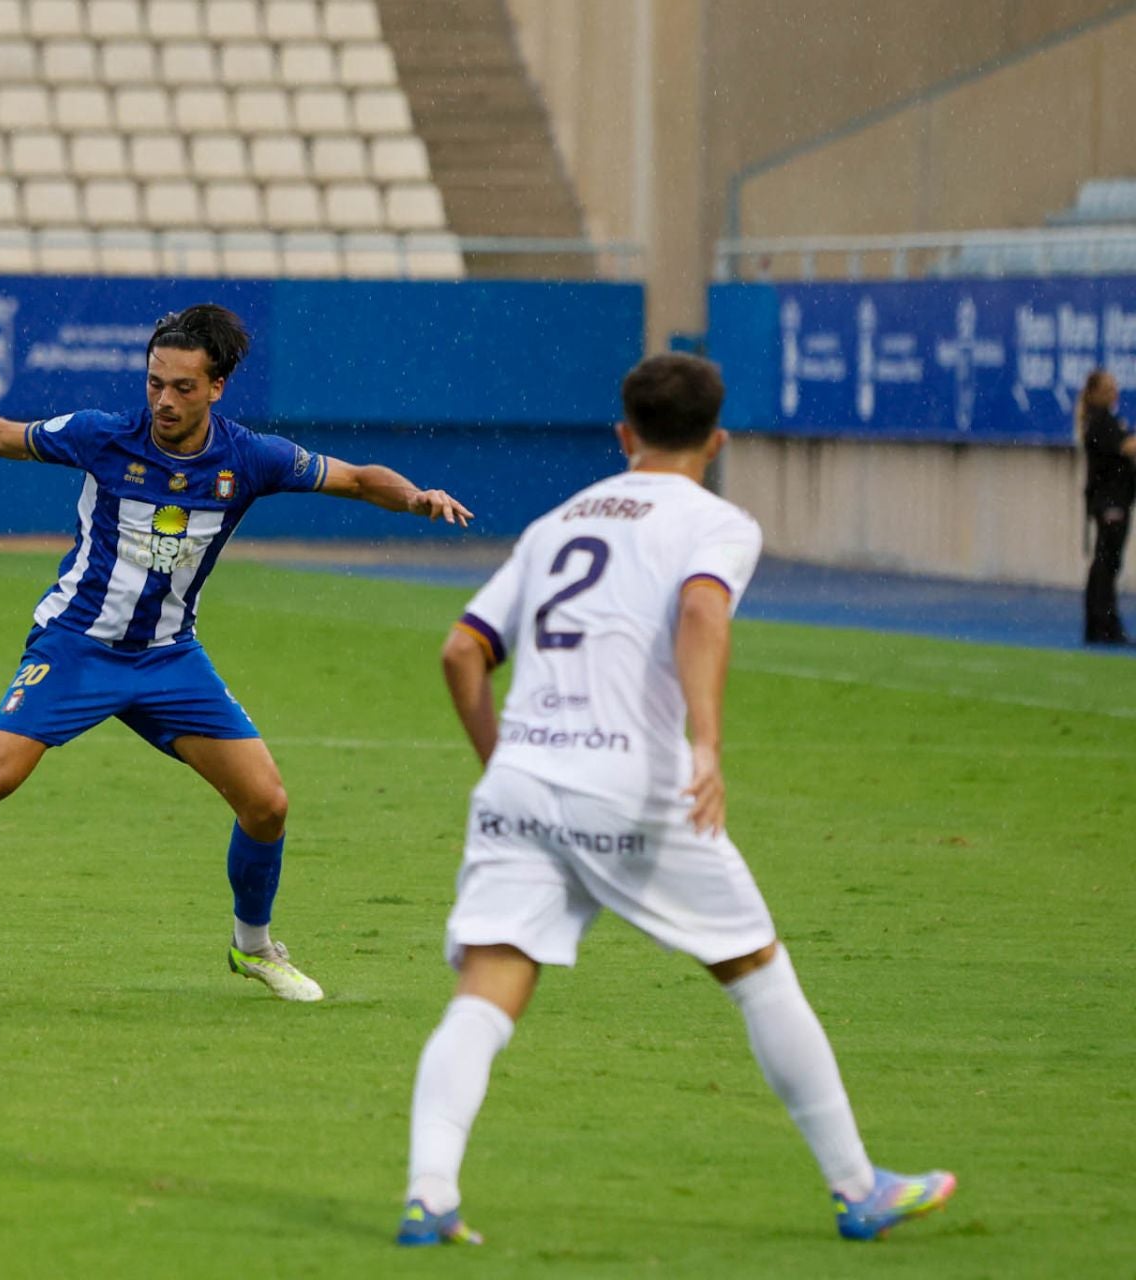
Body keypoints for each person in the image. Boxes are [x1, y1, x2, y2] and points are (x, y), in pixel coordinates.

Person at [397, 353, 954, 1246]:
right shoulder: (716, 521)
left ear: (624, 435)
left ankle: (430, 1192)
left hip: (525, 785)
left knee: (488, 989)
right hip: (632, 785)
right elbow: (702, 611)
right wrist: (707, 743)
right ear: (718, 440)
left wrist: (504, 764)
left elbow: (462, 651)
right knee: (756, 971)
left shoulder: (555, 522)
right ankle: (859, 1189)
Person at [0, 304, 473, 1001]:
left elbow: (355, 478)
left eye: (180, 387)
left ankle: (254, 947)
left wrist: (416, 499)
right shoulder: (102, 437)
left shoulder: (251, 459)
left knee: (266, 804)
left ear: (216, 388)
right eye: (154, 383)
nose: (163, 400)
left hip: (170, 659)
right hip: (77, 645)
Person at [1078, 368, 1136, 645]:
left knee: (1108, 563)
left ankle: (1101, 623)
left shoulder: (1107, 421)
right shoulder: (1101, 423)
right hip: (1110, 502)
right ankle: (1103, 624)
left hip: (1115, 499)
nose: (1115, 392)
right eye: (1109, 387)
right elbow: (1126, 447)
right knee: (1106, 563)